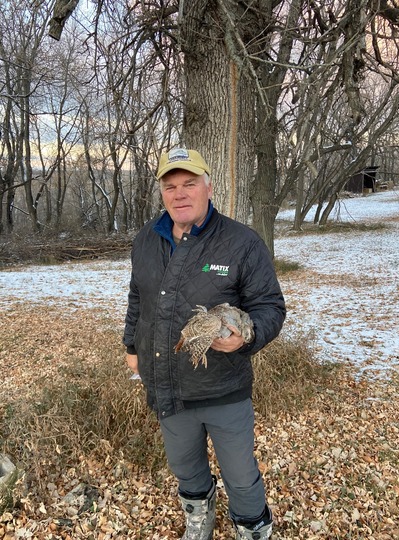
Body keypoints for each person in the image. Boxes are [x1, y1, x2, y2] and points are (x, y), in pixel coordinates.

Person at [123, 148, 286, 540]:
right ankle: (199, 515)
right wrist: (132, 347)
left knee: (241, 475)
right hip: (168, 385)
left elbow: (270, 306)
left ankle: (252, 527)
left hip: (224, 389)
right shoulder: (147, 238)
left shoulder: (241, 242)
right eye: (170, 186)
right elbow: (137, 298)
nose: (179, 194)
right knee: (185, 468)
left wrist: (245, 338)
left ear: (208, 187)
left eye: (189, 184)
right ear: (162, 192)